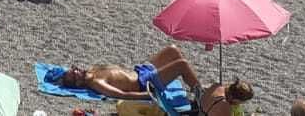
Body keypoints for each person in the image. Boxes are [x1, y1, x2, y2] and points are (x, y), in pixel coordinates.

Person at [48, 45, 201, 102]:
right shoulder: (96, 83)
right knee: (182, 65)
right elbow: (122, 94)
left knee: (172, 50)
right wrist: (148, 95)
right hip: (144, 84)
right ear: (79, 83)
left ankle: (194, 86)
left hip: (140, 71)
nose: (77, 71)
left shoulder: (93, 70)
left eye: (73, 69)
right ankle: (201, 95)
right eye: (74, 76)